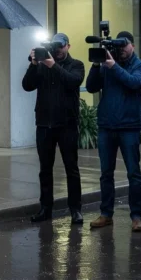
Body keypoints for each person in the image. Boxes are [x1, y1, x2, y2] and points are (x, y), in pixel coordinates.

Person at [85, 31, 141, 232]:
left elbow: (133, 83)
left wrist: (113, 66)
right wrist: (97, 64)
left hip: (129, 127)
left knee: (133, 173)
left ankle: (137, 216)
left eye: (125, 45)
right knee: (106, 174)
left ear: (133, 46)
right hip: (107, 126)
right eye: (119, 46)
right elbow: (91, 87)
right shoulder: (106, 65)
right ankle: (106, 214)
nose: (122, 49)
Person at [22, 33, 85, 225]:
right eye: (55, 47)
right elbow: (27, 85)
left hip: (67, 124)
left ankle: (75, 209)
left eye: (61, 46)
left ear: (68, 46)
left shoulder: (77, 65)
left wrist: (52, 65)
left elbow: (72, 82)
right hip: (44, 124)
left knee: (71, 168)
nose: (57, 50)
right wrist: (33, 64)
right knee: (45, 170)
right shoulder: (41, 65)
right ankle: (45, 208)